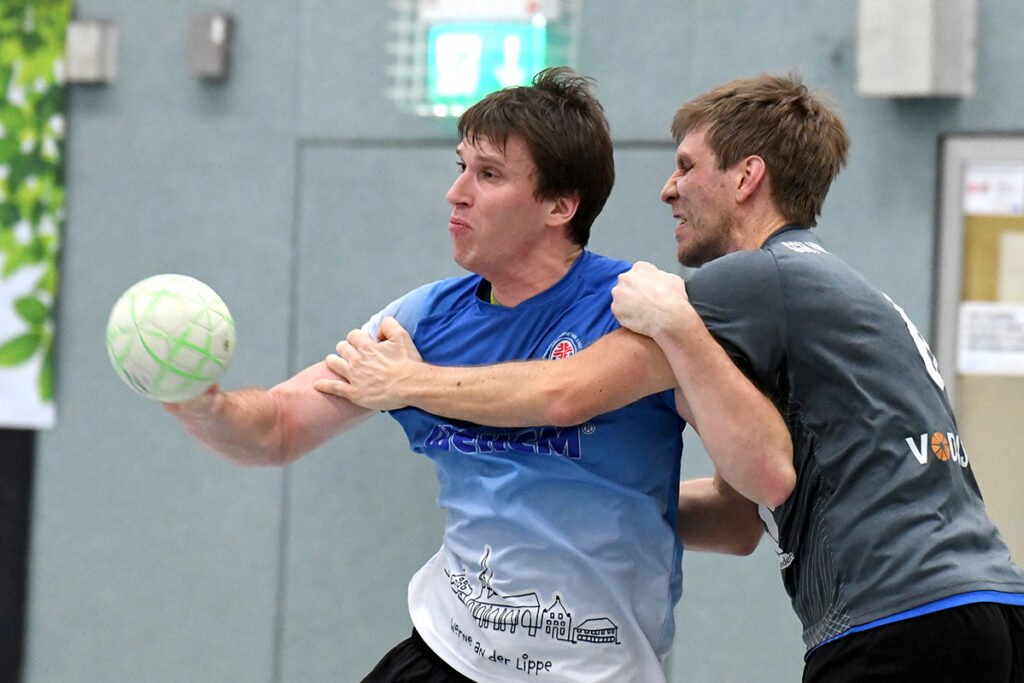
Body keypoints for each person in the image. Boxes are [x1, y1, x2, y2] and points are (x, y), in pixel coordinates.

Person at [318, 74, 1024, 682]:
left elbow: (567, 392)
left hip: (897, 615)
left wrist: (409, 381)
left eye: (687, 166)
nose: (667, 188)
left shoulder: (748, 279)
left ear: (747, 178)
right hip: (989, 603)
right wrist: (597, 497)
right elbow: (737, 507)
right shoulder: (831, 285)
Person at [165, 67, 789, 682]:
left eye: (487, 174)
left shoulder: (639, 308)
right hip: (446, 651)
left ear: (559, 205)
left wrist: (412, 384)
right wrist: (200, 403)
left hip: (593, 670)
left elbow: (735, 518)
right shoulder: (423, 321)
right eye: (460, 167)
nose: (456, 192)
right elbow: (277, 427)